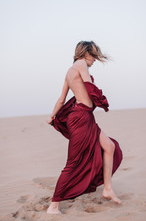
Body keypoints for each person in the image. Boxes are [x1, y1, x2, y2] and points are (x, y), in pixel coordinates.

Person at [46, 41, 123, 214]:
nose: (95, 59)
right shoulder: (81, 64)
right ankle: (54, 206)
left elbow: (61, 99)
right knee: (73, 164)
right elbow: (89, 86)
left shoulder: (69, 70)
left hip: (85, 117)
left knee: (109, 146)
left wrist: (52, 115)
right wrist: (101, 100)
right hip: (81, 118)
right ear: (85, 53)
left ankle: (107, 189)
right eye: (93, 55)